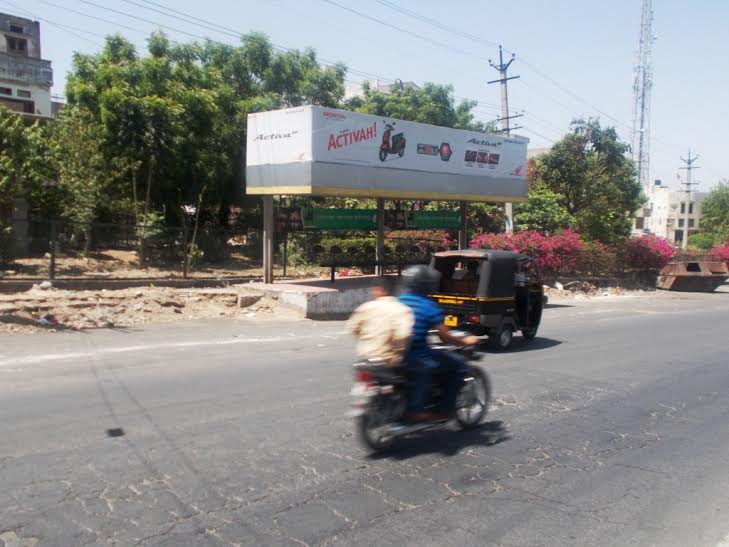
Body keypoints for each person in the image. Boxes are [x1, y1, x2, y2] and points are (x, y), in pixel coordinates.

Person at [399, 265, 480, 422]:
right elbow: (446, 338)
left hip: (396, 354)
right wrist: (465, 341)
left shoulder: (399, 301)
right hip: (416, 354)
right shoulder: (428, 306)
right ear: (427, 285)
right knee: (460, 365)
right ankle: (445, 410)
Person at [347, 278, 414, 367]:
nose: (372, 293)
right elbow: (403, 335)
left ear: (380, 290)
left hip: (366, 357)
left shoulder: (365, 307)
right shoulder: (402, 309)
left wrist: (365, 339)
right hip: (388, 360)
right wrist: (399, 350)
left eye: (374, 290)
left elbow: (353, 327)